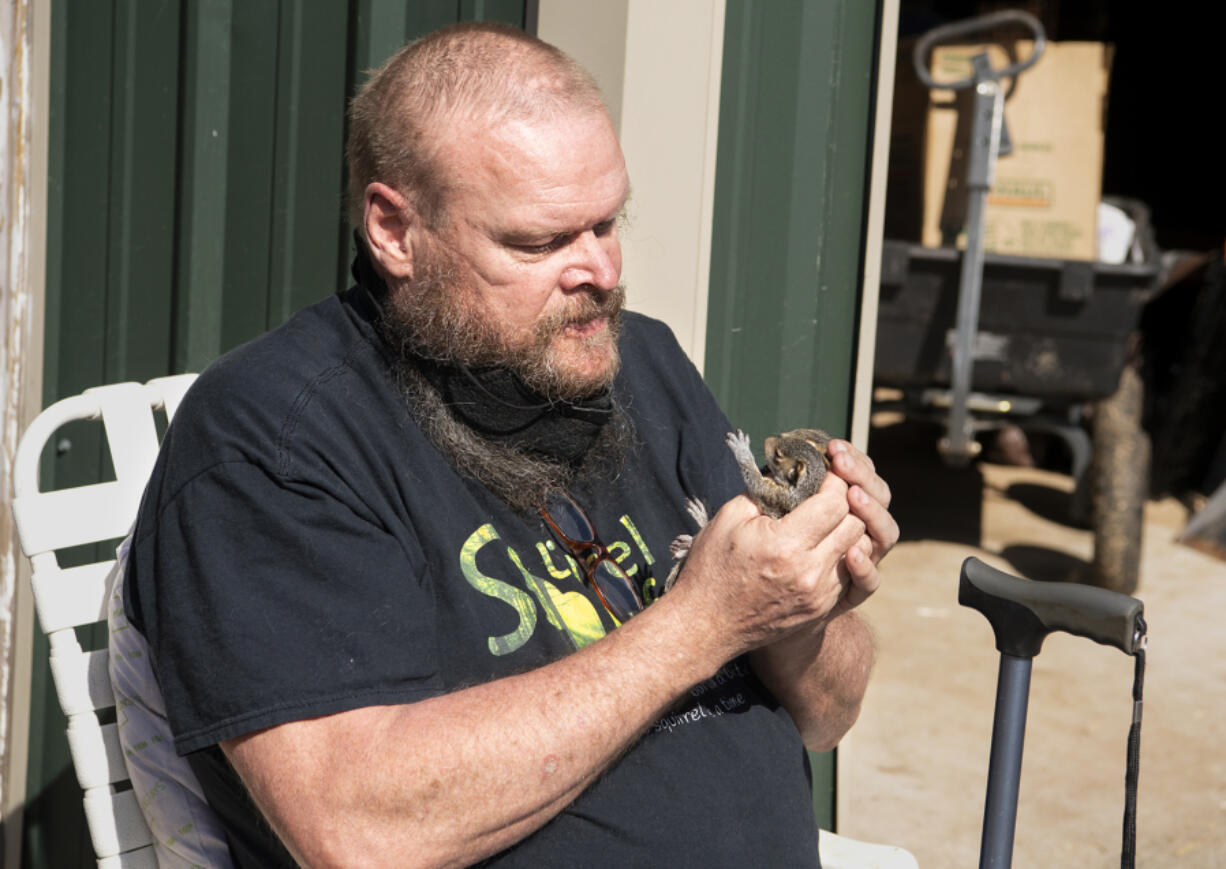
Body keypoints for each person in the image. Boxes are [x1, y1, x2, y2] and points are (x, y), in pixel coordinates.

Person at [113, 21, 898, 868]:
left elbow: (830, 711)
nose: (598, 269)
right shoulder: (272, 441)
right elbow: (356, 832)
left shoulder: (646, 365)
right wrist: (704, 622)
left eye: (607, 221)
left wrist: (807, 598)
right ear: (394, 230)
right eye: (542, 241)